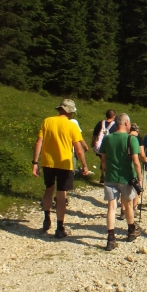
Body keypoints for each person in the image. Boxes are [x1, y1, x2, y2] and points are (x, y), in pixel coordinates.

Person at [32, 99, 90, 238]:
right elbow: (79, 149)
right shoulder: (72, 126)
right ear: (70, 112)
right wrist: (84, 165)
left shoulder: (47, 121)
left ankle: (46, 218)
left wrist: (35, 163)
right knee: (61, 194)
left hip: (48, 162)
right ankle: (59, 227)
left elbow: (38, 143)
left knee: (49, 190)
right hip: (64, 164)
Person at [98, 113, 144, 251]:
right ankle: (131, 231)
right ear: (126, 123)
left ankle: (111, 238)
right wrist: (140, 178)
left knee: (111, 207)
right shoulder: (132, 139)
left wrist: (104, 171)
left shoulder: (107, 138)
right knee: (128, 205)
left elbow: (103, 158)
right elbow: (136, 161)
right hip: (126, 178)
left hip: (110, 177)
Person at [91, 110, 117, 183]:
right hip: (110, 147)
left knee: (102, 161)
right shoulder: (115, 125)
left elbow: (95, 134)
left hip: (99, 146)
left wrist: (93, 142)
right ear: (113, 116)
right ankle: (107, 177)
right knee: (109, 162)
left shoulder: (100, 123)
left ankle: (103, 175)